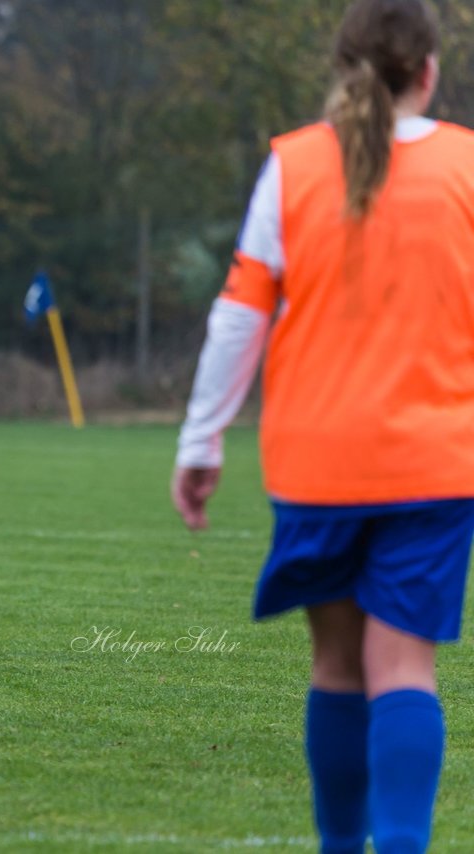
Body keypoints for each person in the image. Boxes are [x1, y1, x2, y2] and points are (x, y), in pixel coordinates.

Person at [171, 2, 474, 850]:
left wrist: (201, 440)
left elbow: (239, 315)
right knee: (405, 669)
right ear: (429, 71)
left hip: (319, 462)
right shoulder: (467, 165)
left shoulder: (294, 165)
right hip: (438, 463)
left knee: (339, 667)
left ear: (343, 70)